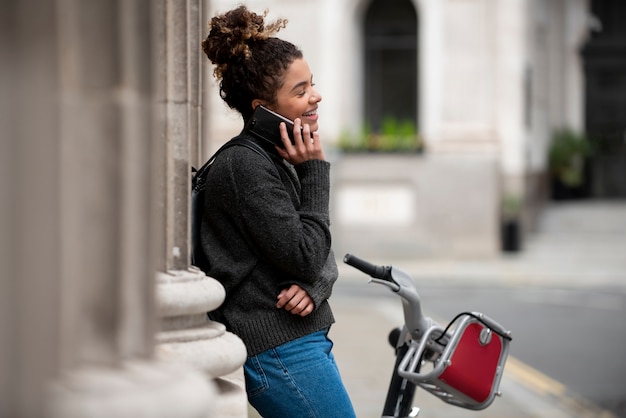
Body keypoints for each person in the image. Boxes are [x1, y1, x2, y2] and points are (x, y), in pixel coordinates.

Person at [200, 6, 356, 418]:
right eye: (301, 90)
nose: (316, 96)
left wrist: (316, 285)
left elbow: (317, 246)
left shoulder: (278, 155)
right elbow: (307, 252)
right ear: (261, 108)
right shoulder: (246, 168)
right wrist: (316, 173)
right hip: (279, 349)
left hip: (298, 342)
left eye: (313, 85)